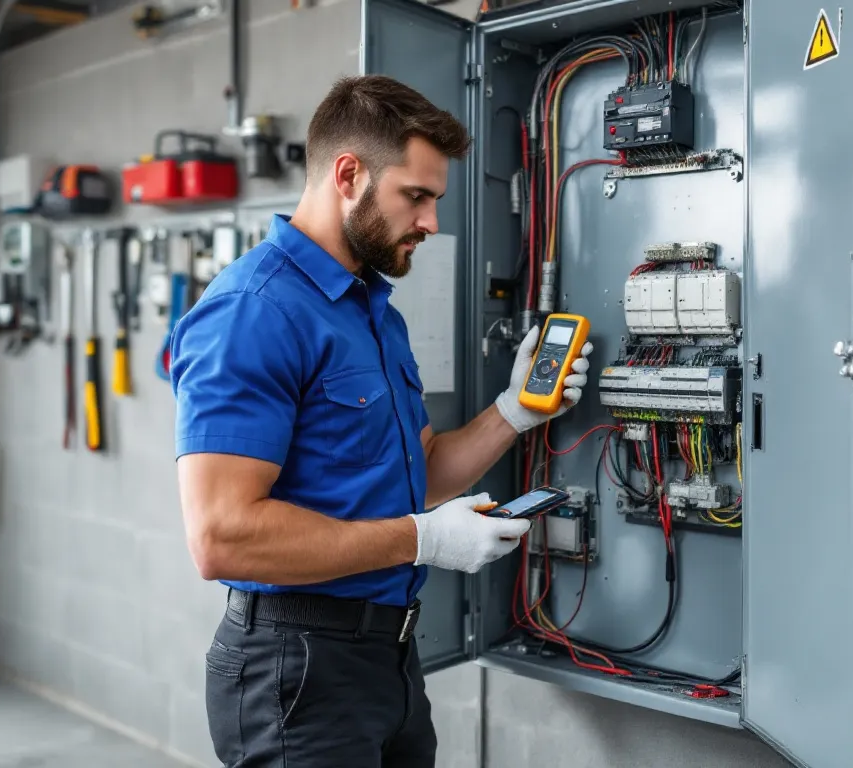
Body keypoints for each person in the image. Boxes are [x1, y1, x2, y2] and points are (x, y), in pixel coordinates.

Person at [168, 74, 593, 767]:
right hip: (296, 669)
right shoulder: (255, 311)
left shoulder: (374, 313)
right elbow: (221, 537)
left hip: (386, 662)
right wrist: (422, 540)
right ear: (348, 174)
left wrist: (514, 411)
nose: (430, 222)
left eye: (435, 200)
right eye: (416, 196)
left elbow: (416, 475)